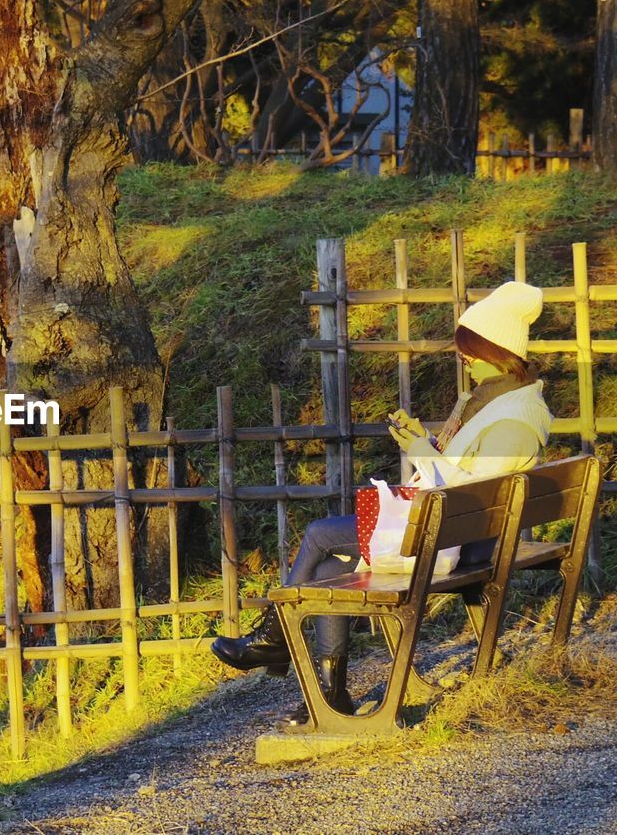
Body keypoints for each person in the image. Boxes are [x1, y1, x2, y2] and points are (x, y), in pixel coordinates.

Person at [211, 281, 554, 719]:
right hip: (453, 530)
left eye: (468, 348)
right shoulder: (495, 404)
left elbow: (465, 490)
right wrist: (421, 442)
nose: (462, 357)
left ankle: (276, 639)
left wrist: (423, 452)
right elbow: (467, 475)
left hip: (458, 541)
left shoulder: (512, 421)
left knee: (318, 535)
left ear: (496, 351)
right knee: (331, 571)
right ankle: (332, 695)